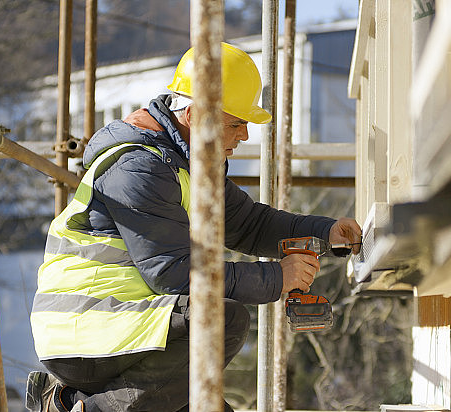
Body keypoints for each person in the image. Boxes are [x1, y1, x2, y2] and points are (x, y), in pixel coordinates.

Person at [25, 42, 361, 412]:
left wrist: (325, 234)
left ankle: (65, 402)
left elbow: (249, 225)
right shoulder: (139, 167)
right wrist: (276, 278)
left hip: (128, 323)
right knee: (223, 319)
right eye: (236, 123)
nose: (245, 135)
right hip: (89, 330)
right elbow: (172, 275)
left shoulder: (185, 164)